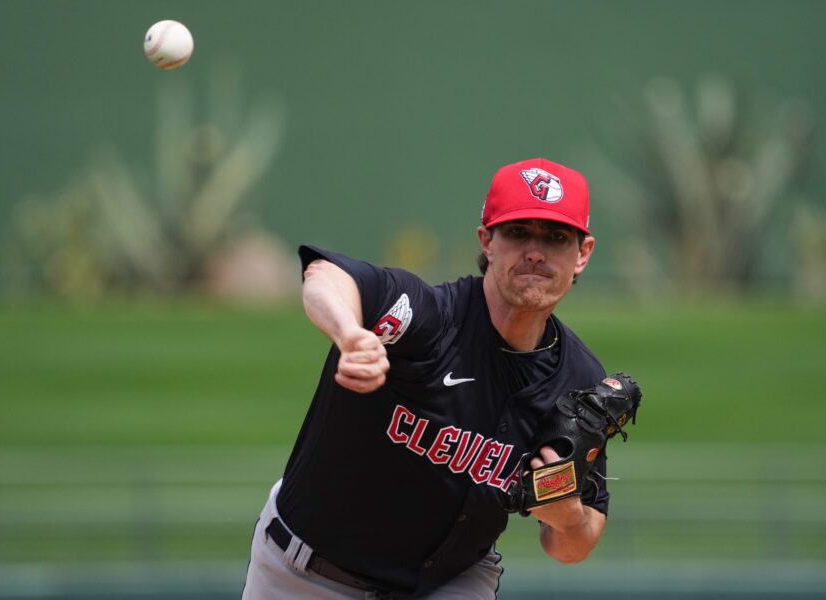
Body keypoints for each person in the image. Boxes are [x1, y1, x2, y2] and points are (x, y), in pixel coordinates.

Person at [242, 157, 608, 599]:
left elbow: (573, 545)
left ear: (582, 254)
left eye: (556, 237)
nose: (535, 250)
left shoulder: (580, 381)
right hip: (307, 576)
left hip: (451, 582)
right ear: (487, 242)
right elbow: (327, 276)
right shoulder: (429, 318)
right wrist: (350, 332)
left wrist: (567, 517)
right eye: (518, 232)